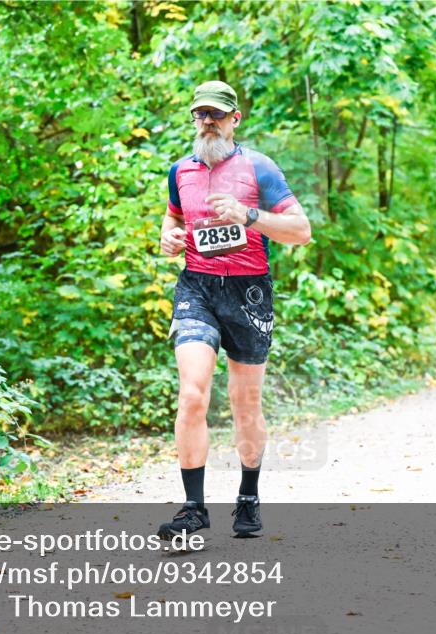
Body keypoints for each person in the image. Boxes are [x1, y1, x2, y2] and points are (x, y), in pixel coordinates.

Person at [158, 81, 311, 539]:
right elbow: (174, 215)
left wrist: (249, 216)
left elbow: (301, 230)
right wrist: (168, 235)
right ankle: (193, 509)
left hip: (249, 292)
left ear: (234, 119)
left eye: (217, 114)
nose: (208, 122)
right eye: (201, 114)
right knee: (192, 394)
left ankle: (248, 497)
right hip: (197, 288)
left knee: (245, 405)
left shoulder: (259, 168)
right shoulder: (180, 170)